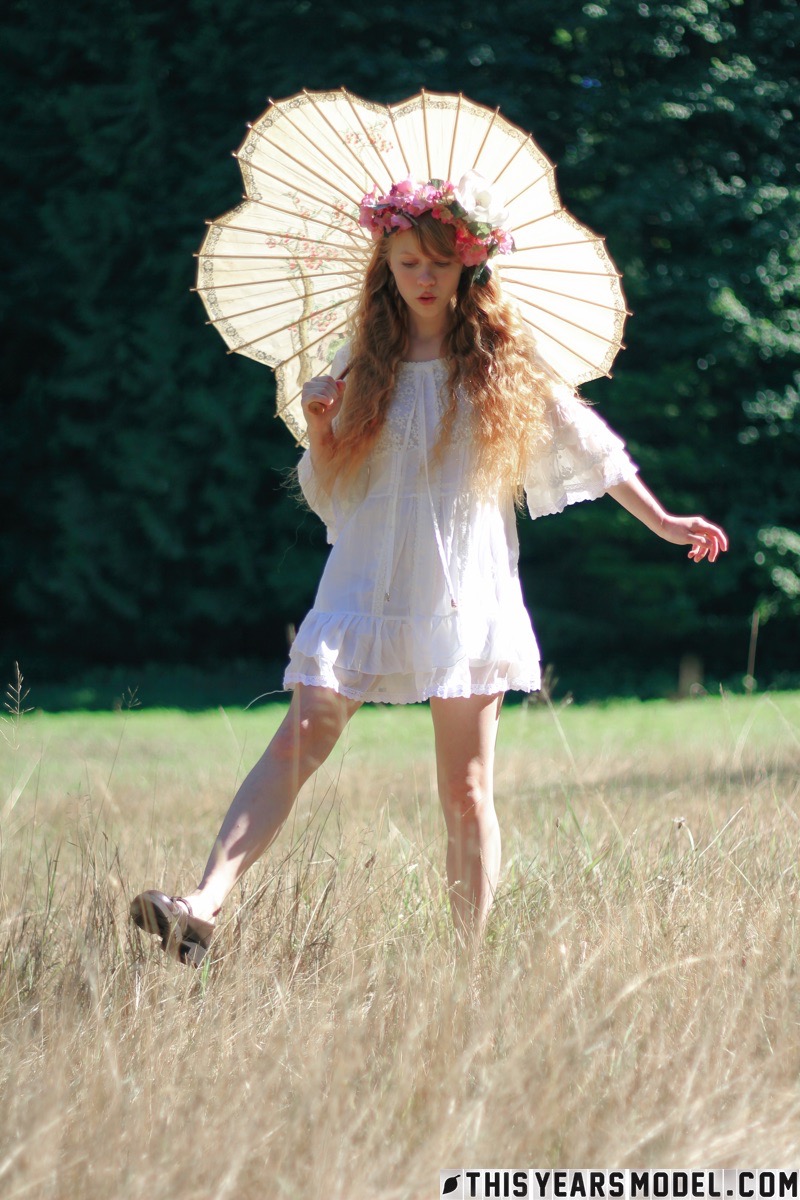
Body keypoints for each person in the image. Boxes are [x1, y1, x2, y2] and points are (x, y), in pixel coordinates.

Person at [130, 174, 728, 964]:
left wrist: (665, 521)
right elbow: (331, 486)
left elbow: (587, 444)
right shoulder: (361, 359)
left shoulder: (504, 358)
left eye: (439, 262)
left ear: (468, 265)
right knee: (300, 737)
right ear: (386, 262)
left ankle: (466, 972)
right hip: (367, 575)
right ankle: (202, 907)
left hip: (463, 586)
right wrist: (320, 424)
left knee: (465, 788)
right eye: (409, 260)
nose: (423, 276)